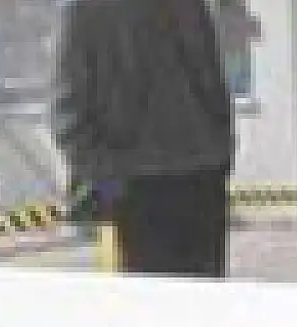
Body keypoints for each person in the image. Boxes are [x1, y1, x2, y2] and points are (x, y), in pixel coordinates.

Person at [50, 0, 235, 278]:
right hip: (140, 185)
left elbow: (211, 77)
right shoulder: (91, 10)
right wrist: (107, 176)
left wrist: (221, 152)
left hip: (198, 176)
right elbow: (69, 108)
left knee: (201, 296)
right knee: (156, 296)